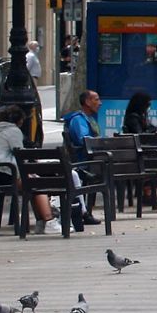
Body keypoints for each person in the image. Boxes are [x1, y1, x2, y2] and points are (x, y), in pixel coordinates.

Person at [0, 105, 55, 233]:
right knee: (35, 183)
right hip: (6, 173)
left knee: (31, 180)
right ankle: (48, 220)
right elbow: (20, 154)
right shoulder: (13, 131)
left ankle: (41, 222)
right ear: (19, 120)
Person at [60, 89, 104, 229]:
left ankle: (87, 211)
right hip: (82, 162)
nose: (100, 103)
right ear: (87, 102)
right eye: (96, 99)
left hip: (90, 159)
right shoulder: (79, 120)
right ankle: (86, 212)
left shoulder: (89, 118)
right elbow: (83, 141)